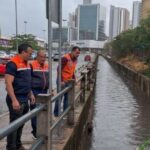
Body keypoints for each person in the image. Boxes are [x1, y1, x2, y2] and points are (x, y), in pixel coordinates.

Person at [5, 43, 35, 150]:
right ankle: (11, 147)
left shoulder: (27, 64)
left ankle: (18, 144)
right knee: (14, 125)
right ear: (23, 52)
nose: (31, 56)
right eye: (30, 53)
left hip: (24, 98)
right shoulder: (13, 64)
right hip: (16, 98)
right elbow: (8, 83)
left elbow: (27, 81)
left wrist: (30, 93)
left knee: (21, 123)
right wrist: (14, 100)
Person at [54, 46, 80, 117]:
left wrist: (74, 79)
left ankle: (65, 113)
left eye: (79, 53)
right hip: (62, 81)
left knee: (67, 98)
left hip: (69, 81)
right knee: (59, 97)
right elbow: (58, 69)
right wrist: (61, 80)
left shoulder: (75, 60)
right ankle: (56, 114)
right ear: (72, 51)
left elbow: (72, 71)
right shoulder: (65, 58)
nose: (78, 54)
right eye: (77, 53)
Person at [30, 50, 49, 139]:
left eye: (44, 57)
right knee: (35, 112)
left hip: (44, 91)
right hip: (35, 92)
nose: (43, 59)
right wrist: (30, 93)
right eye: (41, 57)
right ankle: (35, 132)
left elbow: (47, 78)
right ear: (37, 56)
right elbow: (28, 80)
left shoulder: (46, 65)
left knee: (43, 111)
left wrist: (50, 89)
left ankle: (41, 130)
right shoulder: (31, 64)